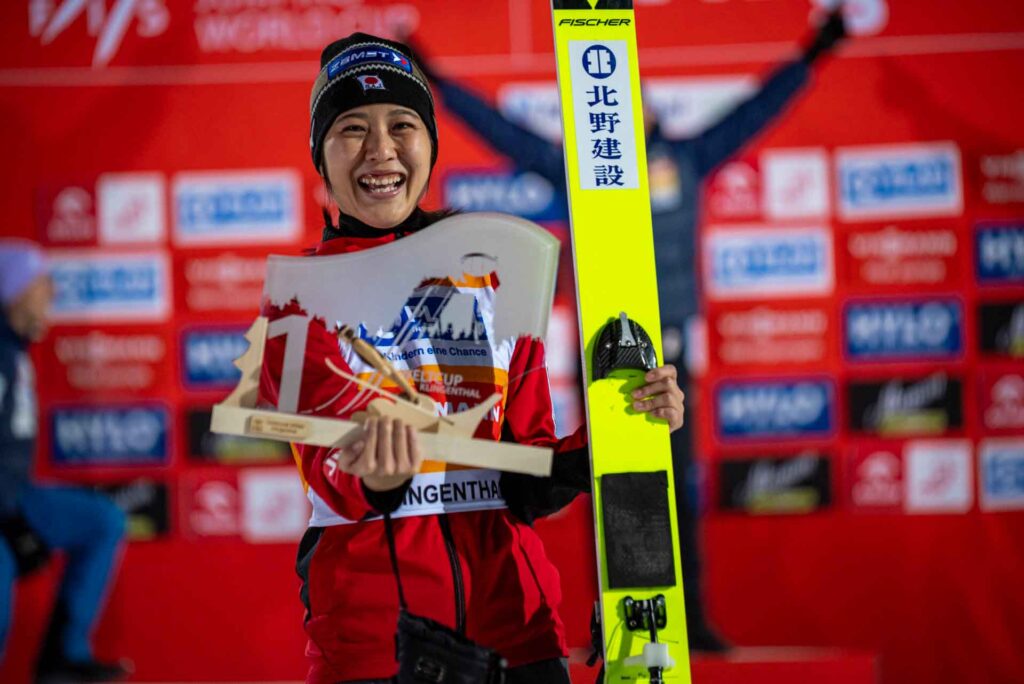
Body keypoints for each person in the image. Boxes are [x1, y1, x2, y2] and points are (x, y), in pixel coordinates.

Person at [410, 8, 847, 652]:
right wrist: (437, 82)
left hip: (669, 356)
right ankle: (618, 625)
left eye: (627, 98)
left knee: (675, 495)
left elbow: (757, 111)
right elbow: (501, 132)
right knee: (613, 493)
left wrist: (816, 51)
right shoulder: (575, 170)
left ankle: (690, 623)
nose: (618, 109)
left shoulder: (687, 157)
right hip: (606, 359)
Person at [262, 33, 685, 684]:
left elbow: (524, 475)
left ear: (430, 144)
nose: (380, 149)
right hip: (378, 650)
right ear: (320, 154)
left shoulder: (493, 282)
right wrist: (376, 472)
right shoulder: (300, 303)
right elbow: (333, 480)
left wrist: (616, 437)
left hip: (517, 635)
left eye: (402, 124)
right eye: (351, 129)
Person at [0, 239, 130, 683]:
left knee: (101, 521)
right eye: (42, 284)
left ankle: (62, 659)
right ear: (13, 291)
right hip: (4, 509)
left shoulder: (13, 351)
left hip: (15, 499)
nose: (52, 294)